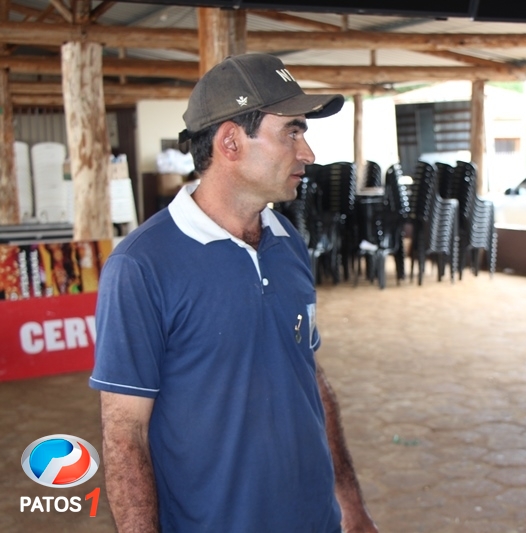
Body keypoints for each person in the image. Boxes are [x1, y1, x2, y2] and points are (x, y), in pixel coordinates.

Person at [90, 53, 378, 533]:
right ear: (230, 142)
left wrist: (349, 502)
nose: (307, 153)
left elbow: (309, 376)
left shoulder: (287, 241)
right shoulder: (141, 266)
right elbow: (125, 433)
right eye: (292, 132)